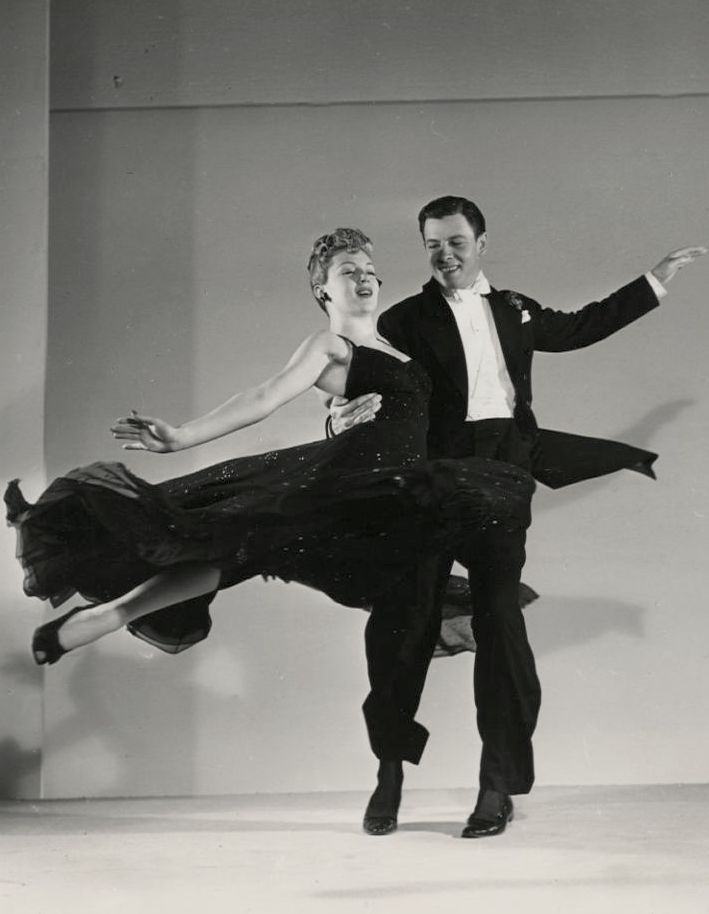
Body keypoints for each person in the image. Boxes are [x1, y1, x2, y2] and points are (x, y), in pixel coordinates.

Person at [5, 227, 534, 834]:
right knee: (238, 539)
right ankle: (113, 613)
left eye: (369, 268)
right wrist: (181, 437)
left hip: (403, 507)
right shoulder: (329, 345)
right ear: (323, 290)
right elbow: (263, 396)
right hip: (348, 492)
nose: (364, 276)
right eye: (347, 270)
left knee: (385, 626)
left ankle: (114, 614)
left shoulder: (400, 346)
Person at [329, 196, 706, 838]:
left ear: (481, 242)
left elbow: (581, 327)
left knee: (501, 624)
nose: (445, 255)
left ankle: (496, 784)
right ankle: (389, 770)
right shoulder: (403, 319)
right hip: (429, 484)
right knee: (404, 624)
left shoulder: (515, 308)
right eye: (433, 245)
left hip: (503, 477)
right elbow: (364, 383)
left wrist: (654, 280)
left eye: (456, 242)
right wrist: (340, 421)